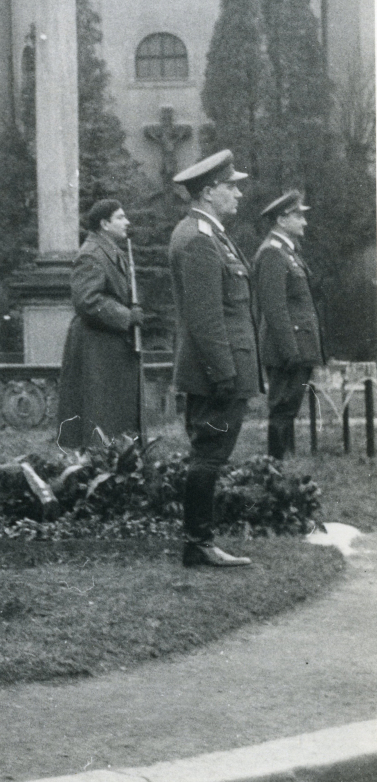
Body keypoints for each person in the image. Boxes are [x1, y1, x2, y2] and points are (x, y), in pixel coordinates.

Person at [169, 150, 260, 568]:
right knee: (208, 455)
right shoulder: (200, 240)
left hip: (221, 369)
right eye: (231, 186)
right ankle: (198, 543)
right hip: (216, 373)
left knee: (209, 455)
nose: (238, 193)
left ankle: (199, 541)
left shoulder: (209, 234)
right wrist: (225, 374)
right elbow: (206, 320)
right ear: (208, 192)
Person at [56, 199, 145, 448]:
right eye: (120, 217)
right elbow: (87, 299)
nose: (127, 222)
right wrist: (126, 316)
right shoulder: (92, 254)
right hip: (96, 347)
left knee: (111, 414)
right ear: (104, 224)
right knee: (100, 413)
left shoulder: (110, 250)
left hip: (108, 345)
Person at [252, 190, 323, 460]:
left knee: (287, 409)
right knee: (282, 409)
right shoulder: (272, 253)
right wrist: (290, 351)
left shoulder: (287, 252)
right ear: (282, 220)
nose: (304, 222)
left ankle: (280, 466)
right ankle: (274, 470)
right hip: (287, 349)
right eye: (298, 216)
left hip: (295, 346)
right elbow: (274, 308)